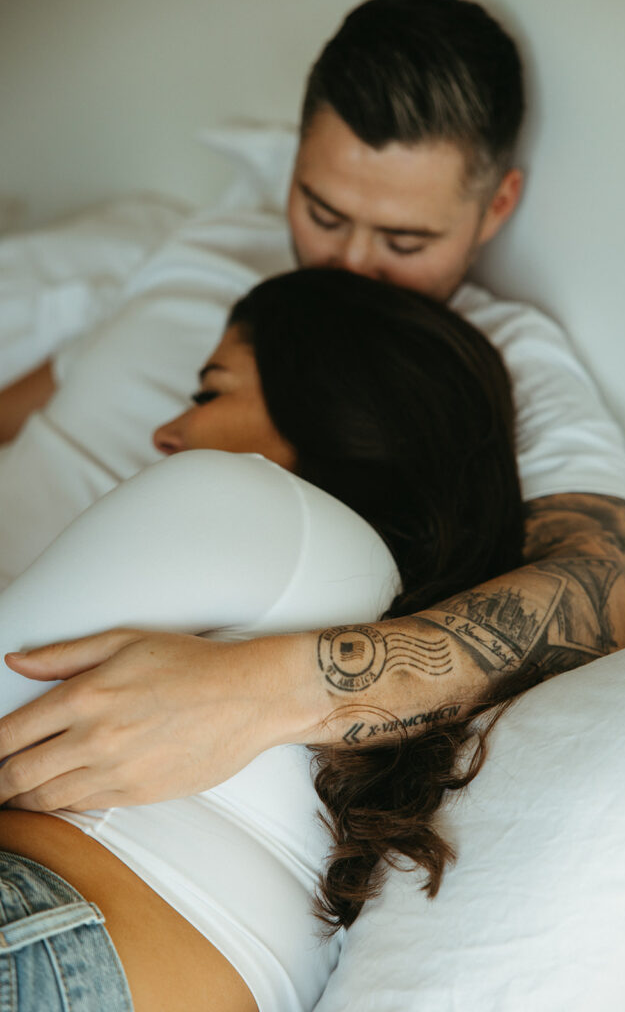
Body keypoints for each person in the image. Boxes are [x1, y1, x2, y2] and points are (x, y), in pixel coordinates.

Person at [0, 0, 625, 821]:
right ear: (293, 167)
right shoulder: (208, 242)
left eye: (404, 241)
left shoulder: (494, 359)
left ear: (494, 207)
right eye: (321, 213)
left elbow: (624, 586)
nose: (347, 267)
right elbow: (31, 407)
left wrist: (269, 690)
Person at [0, 267, 524, 1011]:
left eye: (211, 390)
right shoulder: (417, 659)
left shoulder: (255, 501)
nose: (164, 432)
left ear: (323, 398)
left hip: (45, 935)